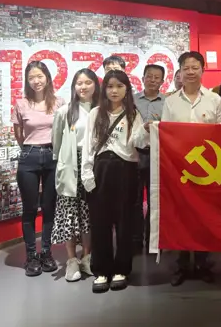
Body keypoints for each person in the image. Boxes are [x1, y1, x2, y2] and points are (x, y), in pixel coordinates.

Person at [81, 70, 149, 293]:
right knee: (99, 223)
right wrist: (87, 175)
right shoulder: (95, 114)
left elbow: (138, 143)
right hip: (101, 170)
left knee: (124, 223)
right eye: (110, 86)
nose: (114, 91)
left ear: (127, 89)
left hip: (125, 170)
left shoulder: (133, 114)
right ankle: (101, 270)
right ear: (104, 89)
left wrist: (145, 130)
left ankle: (121, 269)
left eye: (119, 86)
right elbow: (88, 146)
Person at [161, 51, 221, 286]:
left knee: (203, 217)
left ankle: (203, 263)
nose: (190, 72)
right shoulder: (171, 101)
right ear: (179, 72)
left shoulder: (214, 99)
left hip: (207, 170)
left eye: (194, 67)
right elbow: (166, 132)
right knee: (180, 216)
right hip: (179, 169)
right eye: (185, 68)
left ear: (202, 70)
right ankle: (180, 264)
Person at [13, 61, 66, 277]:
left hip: (53, 155)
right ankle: (31, 256)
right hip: (29, 155)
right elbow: (18, 133)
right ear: (27, 81)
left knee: (49, 206)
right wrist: (31, 148)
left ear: (47, 77)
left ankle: (46, 252)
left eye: (40, 76)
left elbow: (63, 130)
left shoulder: (59, 102)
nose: (36, 81)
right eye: (31, 77)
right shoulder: (21, 104)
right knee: (30, 208)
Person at [51, 68, 100, 282]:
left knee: (89, 214)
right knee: (70, 215)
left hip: (93, 167)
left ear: (95, 85)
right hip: (71, 167)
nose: (83, 87)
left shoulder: (101, 110)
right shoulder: (65, 111)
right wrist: (62, 165)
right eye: (79, 83)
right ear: (73, 86)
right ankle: (71, 260)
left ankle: (87, 257)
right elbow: (56, 143)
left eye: (88, 82)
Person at [133, 64, 166, 252]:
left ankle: (153, 242)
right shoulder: (132, 100)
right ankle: (136, 240)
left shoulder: (167, 102)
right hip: (136, 153)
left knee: (155, 201)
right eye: (149, 76)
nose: (153, 80)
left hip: (157, 155)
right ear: (143, 78)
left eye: (157, 77)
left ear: (162, 81)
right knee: (135, 200)